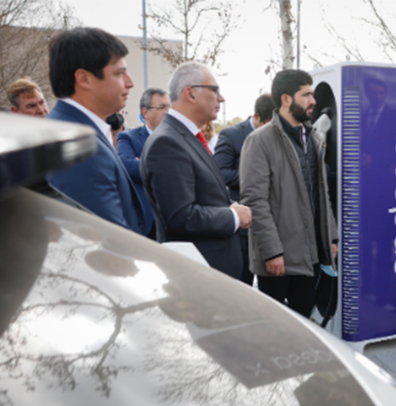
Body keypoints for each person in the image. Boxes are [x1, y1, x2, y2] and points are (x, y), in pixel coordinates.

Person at [240, 69, 338, 317]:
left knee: (302, 323)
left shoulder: (314, 139)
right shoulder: (259, 140)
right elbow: (255, 202)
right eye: (306, 95)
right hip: (278, 259)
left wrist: (331, 237)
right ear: (286, 99)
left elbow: (322, 194)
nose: (313, 101)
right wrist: (272, 251)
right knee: (273, 329)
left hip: (311, 256)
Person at [140, 62, 251, 279]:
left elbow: (203, 195)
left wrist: (228, 206)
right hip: (198, 277)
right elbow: (181, 216)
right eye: (215, 90)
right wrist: (232, 216)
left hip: (211, 274)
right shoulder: (167, 142)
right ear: (190, 94)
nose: (221, 98)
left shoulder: (185, 137)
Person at [46, 27, 146, 234]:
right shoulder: (80, 149)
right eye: (119, 73)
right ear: (84, 79)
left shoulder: (76, 132)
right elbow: (109, 247)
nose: (130, 82)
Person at [214, 93, 276, 285]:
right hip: (244, 227)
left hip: (271, 224)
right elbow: (220, 173)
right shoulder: (231, 135)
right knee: (243, 283)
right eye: (268, 124)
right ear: (257, 117)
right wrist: (254, 179)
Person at [117, 87, 170, 238]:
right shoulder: (128, 137)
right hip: (147, 222)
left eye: (169, 107)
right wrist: (169, 168)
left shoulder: (179, 138)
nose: (168, 112)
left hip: (175, 219)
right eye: (161, 107)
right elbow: (126, 166)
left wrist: (143, 163)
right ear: (145, 112)